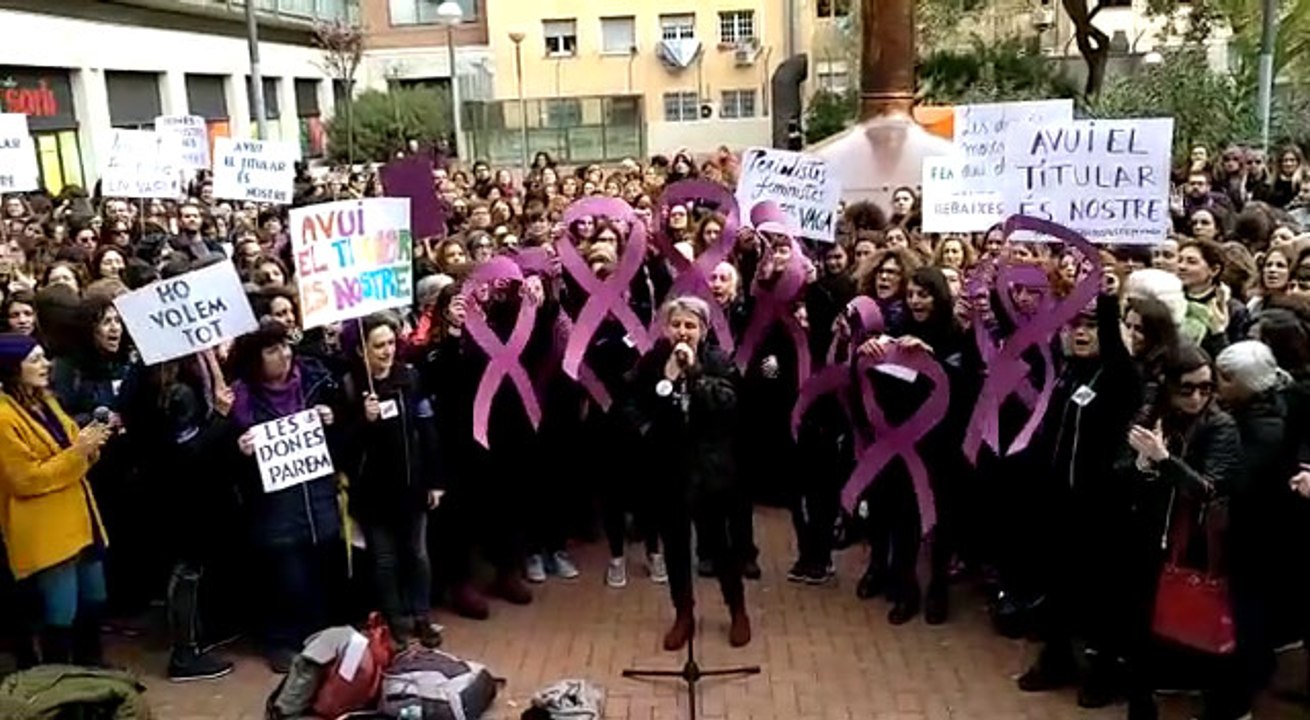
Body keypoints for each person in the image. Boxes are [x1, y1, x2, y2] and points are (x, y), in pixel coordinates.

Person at [623, 296, 750, 650]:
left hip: (709, 472)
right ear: (665, 328)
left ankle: (737, 609)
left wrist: (693, 373)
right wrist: (646, 428)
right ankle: (684, 614)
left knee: (719, 547)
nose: (683, 332)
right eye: (676, 325)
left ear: (704, 330)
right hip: (668, 471)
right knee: (677, 548)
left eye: (690, 326)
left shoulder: (716, 360)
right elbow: (631, 401)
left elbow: (727, 403)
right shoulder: (652, 362)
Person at [229, 319, 346, 673]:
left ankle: (317, 636)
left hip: (317, 499)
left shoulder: (316, 381)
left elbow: (344, 438)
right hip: (272, 508)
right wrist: (239, 449)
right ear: (255, 359)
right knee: (285, 576)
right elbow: (222, 462)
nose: (284, 354)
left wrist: (332, 417)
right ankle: (279, 641)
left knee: (319, 570)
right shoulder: (240, 398)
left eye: (285, 346)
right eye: (272, 350)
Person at [0, 332, 113, 664]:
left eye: (43, 357)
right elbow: (25, 479)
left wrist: (91, 442)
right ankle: (60, 683)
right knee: (61, 611)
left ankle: (94, 671)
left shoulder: (45, 399)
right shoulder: (4, 418)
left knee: (95, 599)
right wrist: (79, 452)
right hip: (46, 528)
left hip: (81, 518)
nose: (45, 365)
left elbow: (71, 446)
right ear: (11, 369)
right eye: (34, 360)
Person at [339, 314, 444, 649]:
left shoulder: (411, 378)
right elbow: (341, 447)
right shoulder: (349, 387)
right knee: (385, 561)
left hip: (411, 487)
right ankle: (396, 620)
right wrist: (361, 420)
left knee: (418, 555)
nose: (386, 351)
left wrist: (435, 480)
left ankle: (422, 616)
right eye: (378, 345)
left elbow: (427, 431)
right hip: (372, 495)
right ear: (361, 351)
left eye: (390, 343)